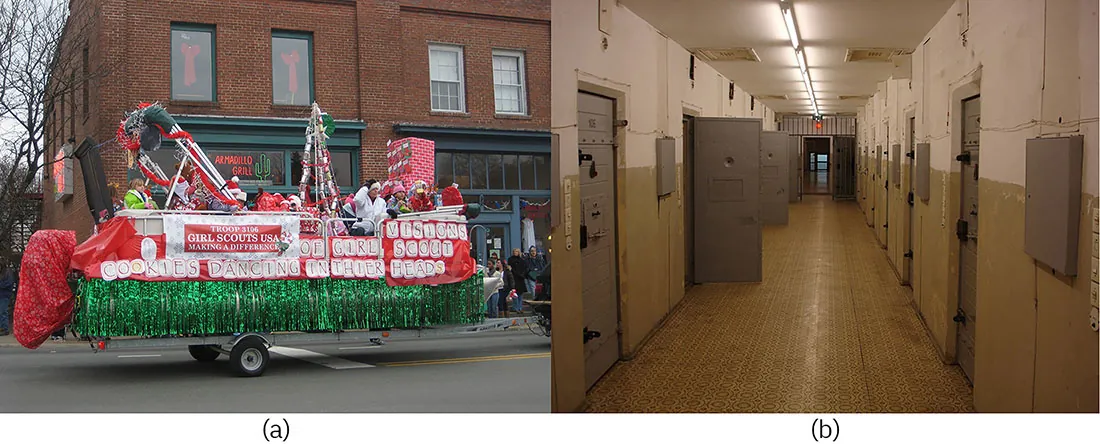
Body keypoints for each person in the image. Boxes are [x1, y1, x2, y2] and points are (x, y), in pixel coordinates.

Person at [0, 264, 14, 336]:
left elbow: (8, 283)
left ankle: (5, 329)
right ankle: (2, 328)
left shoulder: (7, 272)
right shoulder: (5, 272)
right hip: (2, 294)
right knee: (2, 312)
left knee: (3, 312)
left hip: (4, 295)